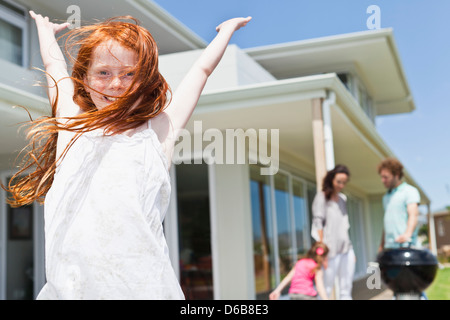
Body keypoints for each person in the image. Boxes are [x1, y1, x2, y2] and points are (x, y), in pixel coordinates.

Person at [3, 10, 251, 299]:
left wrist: (225, 32)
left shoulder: (157, 132)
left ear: (144, 82)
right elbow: (54, 65)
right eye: (103, 73)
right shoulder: (71, 122)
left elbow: (201, 72)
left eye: (129, 74)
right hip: (71, 291)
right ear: (84, 78)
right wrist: (45, 31)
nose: (116, 84)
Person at [310, 164, 355, 300]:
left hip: (346, 250)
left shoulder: (343, 199)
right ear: (331, 179)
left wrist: (351, 250)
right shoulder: (322, 197)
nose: (341, 185)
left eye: (344, 182)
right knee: (326, 288)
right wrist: (321, 252)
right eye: (338, 181)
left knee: (346, 289)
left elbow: (344, 226)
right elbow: (318, 224)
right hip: (329, 251)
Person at [377, 158, 420, 250]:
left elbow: (413, 215)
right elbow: (387, 222)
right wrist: (382, 245)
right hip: (390, 247)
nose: (382, 180)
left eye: (386, 177)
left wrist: (407, 234)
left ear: (396, 175)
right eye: (381, 177)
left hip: (406, 246)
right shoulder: (386, 197)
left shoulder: (409, 191)